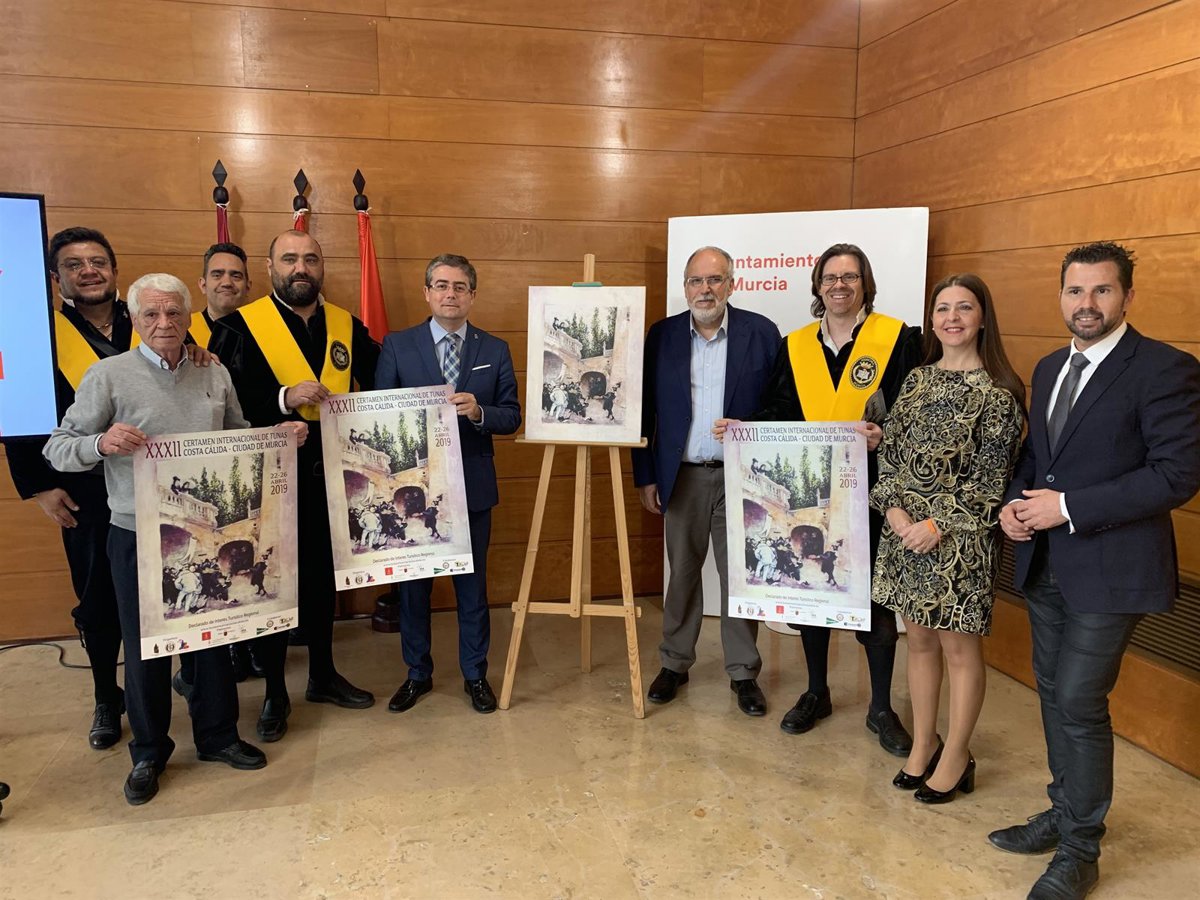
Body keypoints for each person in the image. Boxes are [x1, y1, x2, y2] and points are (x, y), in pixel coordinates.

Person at [43, 273, 306, 805]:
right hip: (137, 534)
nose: (163, 323)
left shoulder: (214, 371)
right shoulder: (107, 375)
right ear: (135, 319)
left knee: (212, 634)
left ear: (189, 317)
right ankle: (148, 751)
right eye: (151, 314)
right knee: (147, 648)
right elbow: (58, 447)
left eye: (173, 313)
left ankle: (218, 736)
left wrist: (276, 438)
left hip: (205, 538)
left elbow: (237, 438)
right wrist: (101, 442)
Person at [992, 242, 1200, 900]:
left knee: (1080, 700)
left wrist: (1067, 508)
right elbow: (1038, 460)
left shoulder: (1165, 369)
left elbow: (1176, 475)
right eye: (1075, 291)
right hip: (1047, 564)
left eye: (1102, 290)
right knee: (1054, 691)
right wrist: (1015, 505)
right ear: (1061, 296)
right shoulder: (1051, 366)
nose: (1087, 304)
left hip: (1113, 572)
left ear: (1128, 296)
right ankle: (1064, 810)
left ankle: (1081, 851)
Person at [736, 243, 923, 753]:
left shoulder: (897, 339)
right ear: (818, 286)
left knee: (875, 604)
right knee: (814, 593)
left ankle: (881, 707)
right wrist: (744, 431)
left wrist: (886, 434)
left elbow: (912, 412)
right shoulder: (795, 346)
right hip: (813, 490)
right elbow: (777, 411)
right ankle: (816, 691)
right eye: (830, 277)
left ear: (865, 284)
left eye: (850, 277)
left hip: (877, 492)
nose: (839, 285)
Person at [210, 230, 381, 739]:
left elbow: (377, 387)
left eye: (310, 258)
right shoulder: (238, 327)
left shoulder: (347, 326)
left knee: (323, 578)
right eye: (289, 259)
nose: (300, 268)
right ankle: (274, 693)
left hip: (332, 477)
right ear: (270, 268)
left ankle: (323, 675)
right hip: (269, 481)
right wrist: (284, 399)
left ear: (322, 267)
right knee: (272, 581)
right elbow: (224, 406)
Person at [869, 274, 1025, 803]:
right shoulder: (916, 379)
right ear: (931, 320)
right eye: (942, 308)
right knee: (918, 641)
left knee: (959, 649)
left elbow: (992, 483)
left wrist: (936, 524)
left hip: (959, 542)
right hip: (903, 536)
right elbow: (891, 455)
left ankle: (957, 754)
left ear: (982, 318)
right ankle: (924, 743)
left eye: (964, 307)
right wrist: (894, 512)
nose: (952, 318)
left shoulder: (999, 392)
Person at [631, 246, 782, 716]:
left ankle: (743, 672)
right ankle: (674, 663)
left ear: (732, 284)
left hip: (744, 479)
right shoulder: (662, 336)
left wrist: (749, 426)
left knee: (741, 576)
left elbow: (781, 405)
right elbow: (642, 409)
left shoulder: (762, 333)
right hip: (683, 477)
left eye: (715, 280)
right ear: (685, 287)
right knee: (682, 574)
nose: (705, 289)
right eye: (696, 281)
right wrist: (646, 475)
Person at [3, 228, 133, 751]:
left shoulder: (150, 321)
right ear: (56, 279)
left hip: (154, 480)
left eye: (98, 261)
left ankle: (174, 684)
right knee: (97, 596)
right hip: (85, 487)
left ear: (115, 270)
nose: (89, 271)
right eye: (74, 265)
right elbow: (19, 412)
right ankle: (106, 694)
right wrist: (38, 486)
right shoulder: (39, 334)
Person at [375, 253, 521, 715]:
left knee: (472, 589)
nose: (450, 294)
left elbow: (511, 416)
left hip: (472, 486)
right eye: (441, 285)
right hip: (412, 491)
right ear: (427, 293)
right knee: (414, 590)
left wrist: (479, 412)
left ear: (472, 295)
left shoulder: (494, 349)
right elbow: (381, 414)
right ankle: (417, 673)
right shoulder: (398, 345)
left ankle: (475, 674)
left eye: (459, 287)